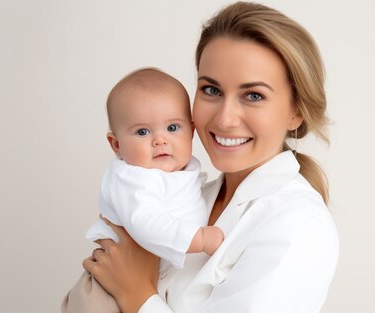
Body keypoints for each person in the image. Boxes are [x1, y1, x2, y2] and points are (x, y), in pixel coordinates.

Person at [71, 2, 339, 312]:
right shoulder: (195, 194)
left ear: (296, 112)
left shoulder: (299, 228)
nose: (224, 119)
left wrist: (136, 295)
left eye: (254, 96)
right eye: (211, 90)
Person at [62, 68, 224, 312]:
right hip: (105, 293)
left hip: (142, 281)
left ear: (191, 131)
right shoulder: (133, 178)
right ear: (116, 144)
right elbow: (146, 222)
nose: (160, 140)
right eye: (142, 132)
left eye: (172, 128)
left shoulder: (181, 170)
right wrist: (198, 238)